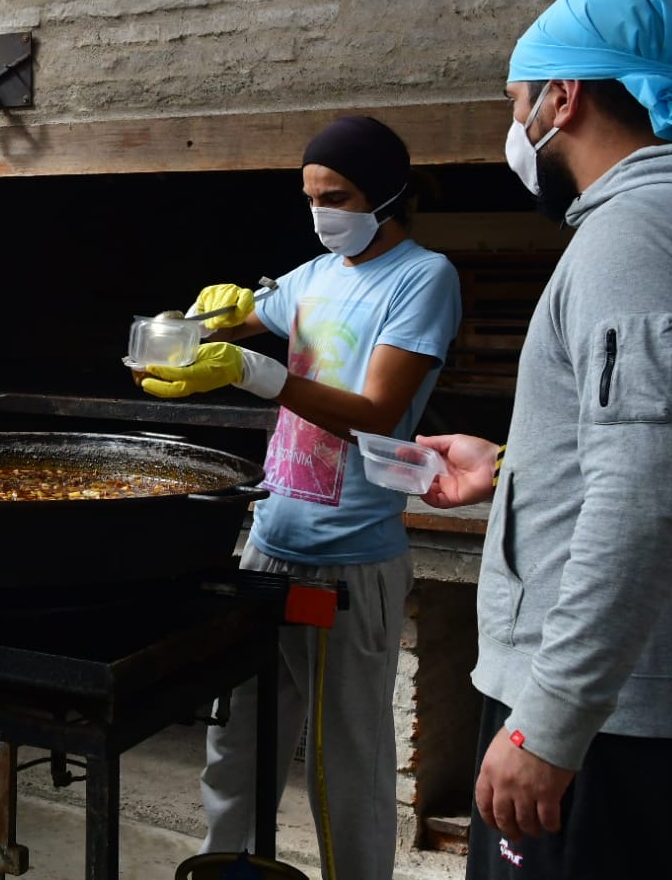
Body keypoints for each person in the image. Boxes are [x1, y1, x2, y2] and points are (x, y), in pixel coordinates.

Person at [417, 0, 672, 878]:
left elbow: (646, 498)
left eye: (515, 103)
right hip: (621, 702)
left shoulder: (638, 235)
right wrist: (510, 465)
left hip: (607, 721)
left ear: (560, 98)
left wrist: (549, 719)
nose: (515, 128)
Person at [138, 116, 462, 879]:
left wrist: (253, 373)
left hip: (345, 563)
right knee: (237, 744)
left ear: (386, 194)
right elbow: (236, 317)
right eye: (310, 197)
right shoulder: (311, 278)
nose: (321, 214)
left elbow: (378, 411)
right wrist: (192, 328)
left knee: (342, 764)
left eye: (337, 196)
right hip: (268, 546)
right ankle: (226, 874)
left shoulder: (422, 277)